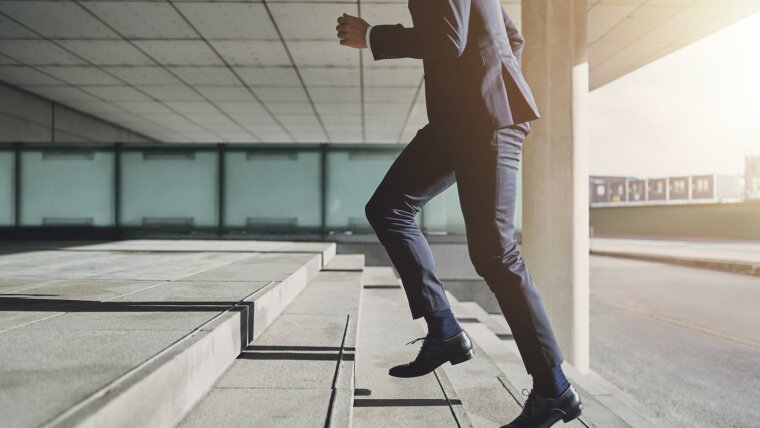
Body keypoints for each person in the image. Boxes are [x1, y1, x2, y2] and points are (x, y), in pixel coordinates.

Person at [336, 1, 582, 426]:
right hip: (461, 120)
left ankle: (554, 388)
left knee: (495, 253)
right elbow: (512, 36)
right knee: (388, 208)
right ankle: (445, 330)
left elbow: (449, 39)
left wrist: (374, 35)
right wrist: (487, 82)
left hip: (487, 120)